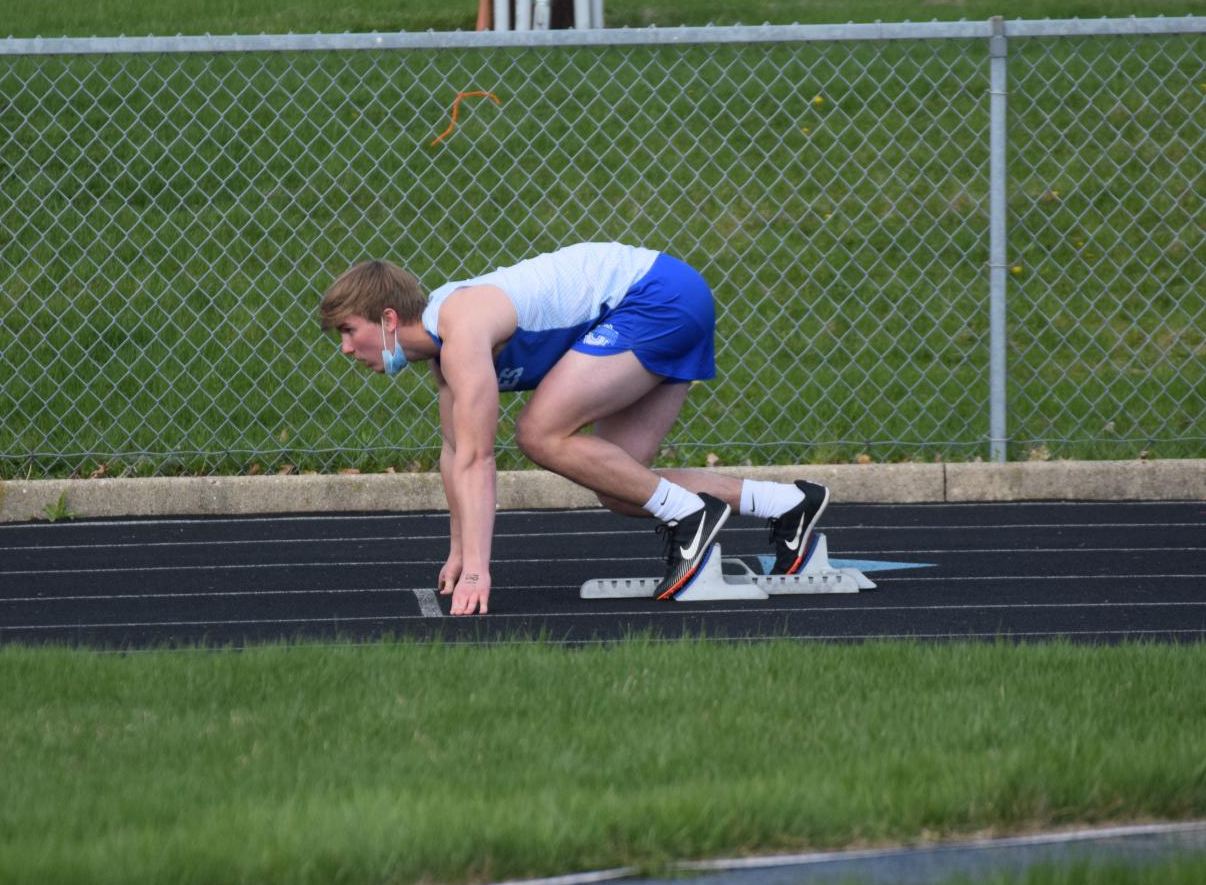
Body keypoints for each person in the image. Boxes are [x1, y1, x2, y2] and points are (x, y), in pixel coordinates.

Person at [318, 241, 829, 616]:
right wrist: (458, 552)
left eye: (349, 331)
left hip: (657, 297)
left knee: (537, 432)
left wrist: (479, 570)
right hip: (665, 300)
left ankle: (692, 517)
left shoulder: (462, 326)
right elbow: (456, 454)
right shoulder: (444, 354)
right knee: (625, 488)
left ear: (387, 318)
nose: (345, 348)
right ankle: (786, 504)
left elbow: (480, 458)